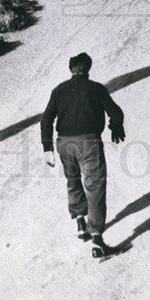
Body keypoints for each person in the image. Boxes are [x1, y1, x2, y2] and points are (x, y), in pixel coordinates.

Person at [41, 51, 125, 259]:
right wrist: (115, 127)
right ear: (88, 68)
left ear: (71, 69)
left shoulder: (59, 90)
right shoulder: (96, 88)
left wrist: (47, 148)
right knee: (95, 186)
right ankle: (97, 240)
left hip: (64, 143)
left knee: (73, 179)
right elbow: (116, 112)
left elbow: (45, 120)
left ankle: (80, 221)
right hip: (89, 142)